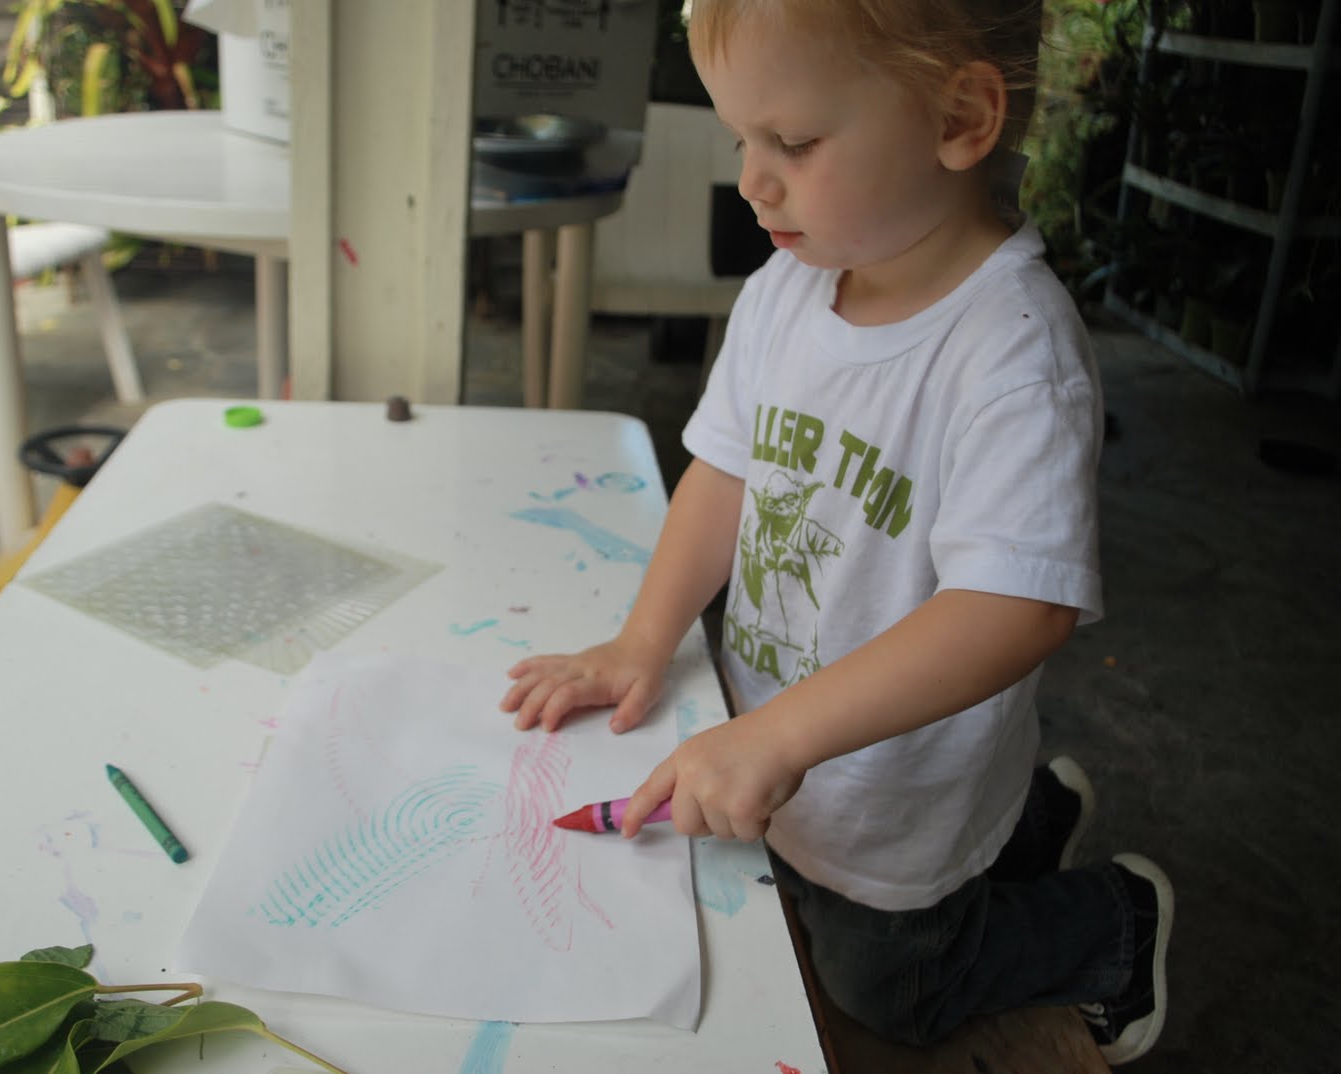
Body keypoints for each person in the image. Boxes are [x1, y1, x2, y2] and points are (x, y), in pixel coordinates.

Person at [498, 0, 1173, 1064]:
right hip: (777, 736)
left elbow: (1019, 607)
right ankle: (1030, 820)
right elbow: (721, 474)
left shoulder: (1011, 356)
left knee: (885, 983)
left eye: (793, 143)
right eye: (740, 140)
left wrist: (778, 736)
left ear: (959, 119)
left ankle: (1112, 925)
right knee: (780, 907)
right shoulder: (786, 289)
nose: (751, 181)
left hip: (893, 783)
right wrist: (642, 641)